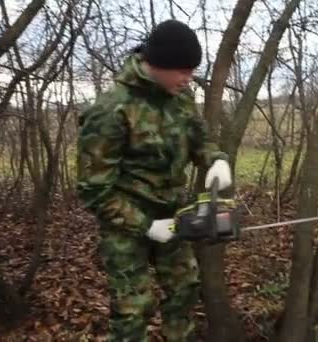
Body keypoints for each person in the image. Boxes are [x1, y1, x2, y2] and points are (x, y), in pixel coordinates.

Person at [76, 19, 232, 342]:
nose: (189, 78)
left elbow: (198, 138)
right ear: (158, 64)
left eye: (192, 71)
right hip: (125, 222)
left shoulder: (180, 97)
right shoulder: (111, 110)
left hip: (173, 214)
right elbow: (94, 190)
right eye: (183, 70)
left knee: (184, 291)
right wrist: (146, 226)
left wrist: (216, 160)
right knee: (133, 311)